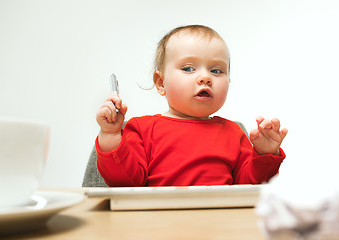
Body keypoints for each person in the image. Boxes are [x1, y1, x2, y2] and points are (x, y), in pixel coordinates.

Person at [95, 25, 288, 187]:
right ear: (161, 83)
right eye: (188, 68)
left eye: (216, 70)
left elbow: (250, 188)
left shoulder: (233, 133)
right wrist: (111, 135)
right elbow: (124, 183)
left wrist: (265, 154)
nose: (205, 77)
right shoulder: (141, 129)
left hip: (220, 224)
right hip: (157, 223)